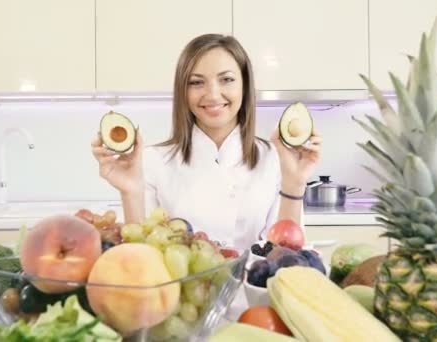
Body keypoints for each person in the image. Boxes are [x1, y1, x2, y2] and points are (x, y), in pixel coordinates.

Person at [91, 33, 322, 251]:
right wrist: (130, 191)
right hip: (181, 293)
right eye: (196, 82)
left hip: (253, 291)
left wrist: (294, 184)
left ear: (244, 85)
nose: (212, 94)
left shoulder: (275, 158)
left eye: (227, 80)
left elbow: (286, 259)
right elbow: (143, 264)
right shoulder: (151, 161)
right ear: (183, 91)